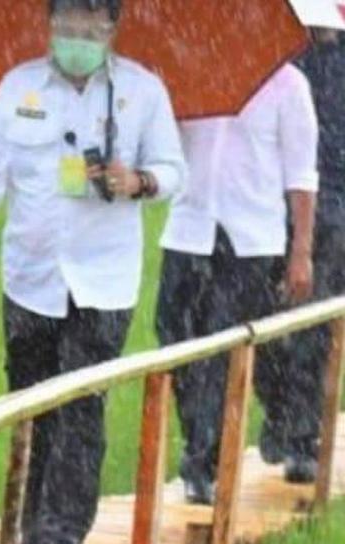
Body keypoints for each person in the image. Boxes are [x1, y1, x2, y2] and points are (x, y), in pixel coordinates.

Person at [0, 0, 185, 544]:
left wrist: (139, 180)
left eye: (89, 28)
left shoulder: (142, 91)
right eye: (67, 26)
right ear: (49, 26)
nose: (77, 37)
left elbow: (176, 172)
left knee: (82, 405)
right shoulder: (20, 87)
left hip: (105, 281)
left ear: (111, 29)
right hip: (32, 279)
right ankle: (27, 531)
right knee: (31, 405)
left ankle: (62, 537)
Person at [157, 63, 319, 502]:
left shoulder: (288, 86)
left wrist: (300, 252)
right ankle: (208, 438)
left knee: (223, 352)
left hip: (250, 240)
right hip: (188, 232)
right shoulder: (190, 75)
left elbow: (302, 176)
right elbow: (164, 149)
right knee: (175, 341)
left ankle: (204, 463)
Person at [273, 28, 345, 485]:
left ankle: (300, 437)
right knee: (260, 319)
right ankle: (282, 415)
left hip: (333, 201)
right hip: (274, 197)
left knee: (312, 322)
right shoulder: (282, 56)